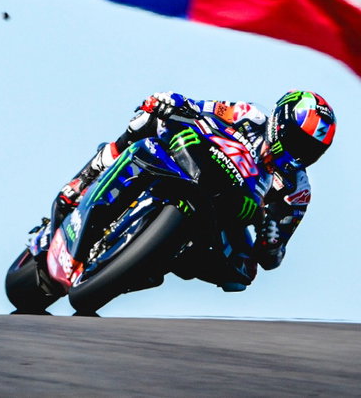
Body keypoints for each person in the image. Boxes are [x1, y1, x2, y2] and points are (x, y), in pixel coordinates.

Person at [49, 90, 336, 292]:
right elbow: (200, 107)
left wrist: (271, 239)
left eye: (311, 150)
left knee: (242, 272)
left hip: (230, 210)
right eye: (297, 141)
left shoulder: (297, 188)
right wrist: (170, 101)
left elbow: (273, 257)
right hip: (195, 161)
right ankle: (85, 179)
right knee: (148, 122)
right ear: (280, 124)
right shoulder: (249, 116)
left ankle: (160, 258)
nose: (299, 153)